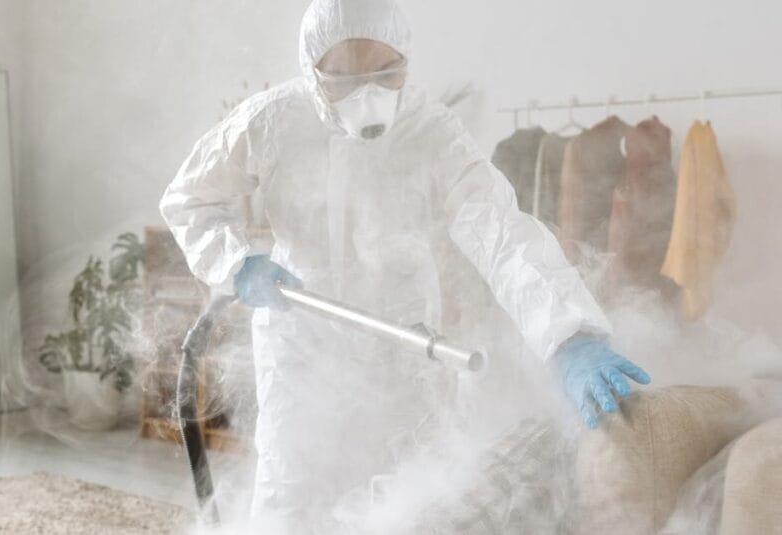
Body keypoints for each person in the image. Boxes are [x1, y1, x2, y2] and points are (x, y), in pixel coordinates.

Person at [160, 0, 651, 528]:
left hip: (403, 345)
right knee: (291, 497)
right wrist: (237, 261)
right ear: (312, 69)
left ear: (406, 61)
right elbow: (190, 199)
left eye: (386, 73)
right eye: (345, 79)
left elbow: (499, 228)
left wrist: (568, 334)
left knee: (406, 498)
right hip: (301, 342)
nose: (369, 95)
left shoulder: (431, 131)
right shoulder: (272, 120)